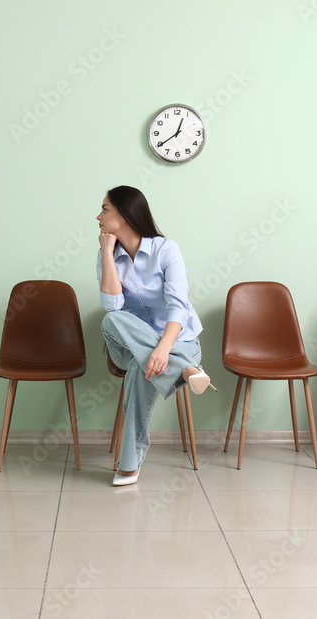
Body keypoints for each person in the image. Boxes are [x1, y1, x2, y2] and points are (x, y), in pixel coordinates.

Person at [97, 185, 215, 487]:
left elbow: (179, 308)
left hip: (179, 343)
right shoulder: (106, 255)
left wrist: (162, 350)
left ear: (124, 214)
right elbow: (113, 306)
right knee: (111, 321)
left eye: (105, 209)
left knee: (142, 367)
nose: (98, 216)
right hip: (129, 346)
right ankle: (185, 370)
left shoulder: (166, 249)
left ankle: (130, 464)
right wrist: (108, 255)